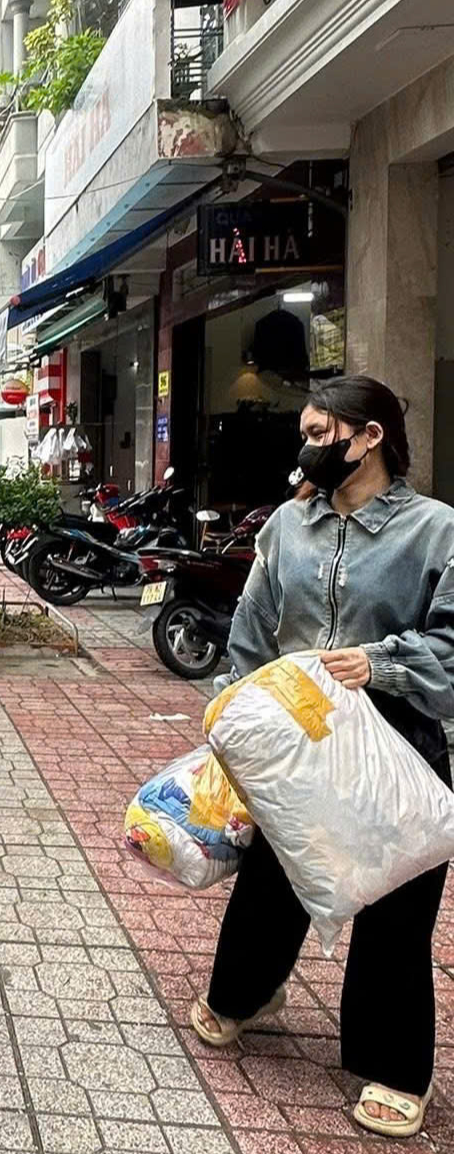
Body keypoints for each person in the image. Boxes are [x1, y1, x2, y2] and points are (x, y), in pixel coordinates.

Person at [194, 376, 453, 1139]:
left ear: (369, 437)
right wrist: (229, 721)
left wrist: (382, 664)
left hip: (398, 751)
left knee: (395, 907)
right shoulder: (287, 526)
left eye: (319, 432)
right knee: (272, 880)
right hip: (296, 751)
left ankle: (397, 1064)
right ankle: (246, 995)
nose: (307, 446)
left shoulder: (435, 531)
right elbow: (252, 627)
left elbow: (451, 643)